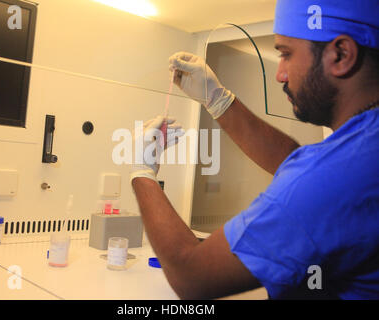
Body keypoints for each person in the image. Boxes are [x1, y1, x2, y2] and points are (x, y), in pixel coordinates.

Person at [129, 0, 379, 299]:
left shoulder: (339, 175)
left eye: (286, 54)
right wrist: (218, 100)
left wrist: (142, 172)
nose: (280, 74)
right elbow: (298, 165)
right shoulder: (365, 148)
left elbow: (191, 275)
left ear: (341, 54)